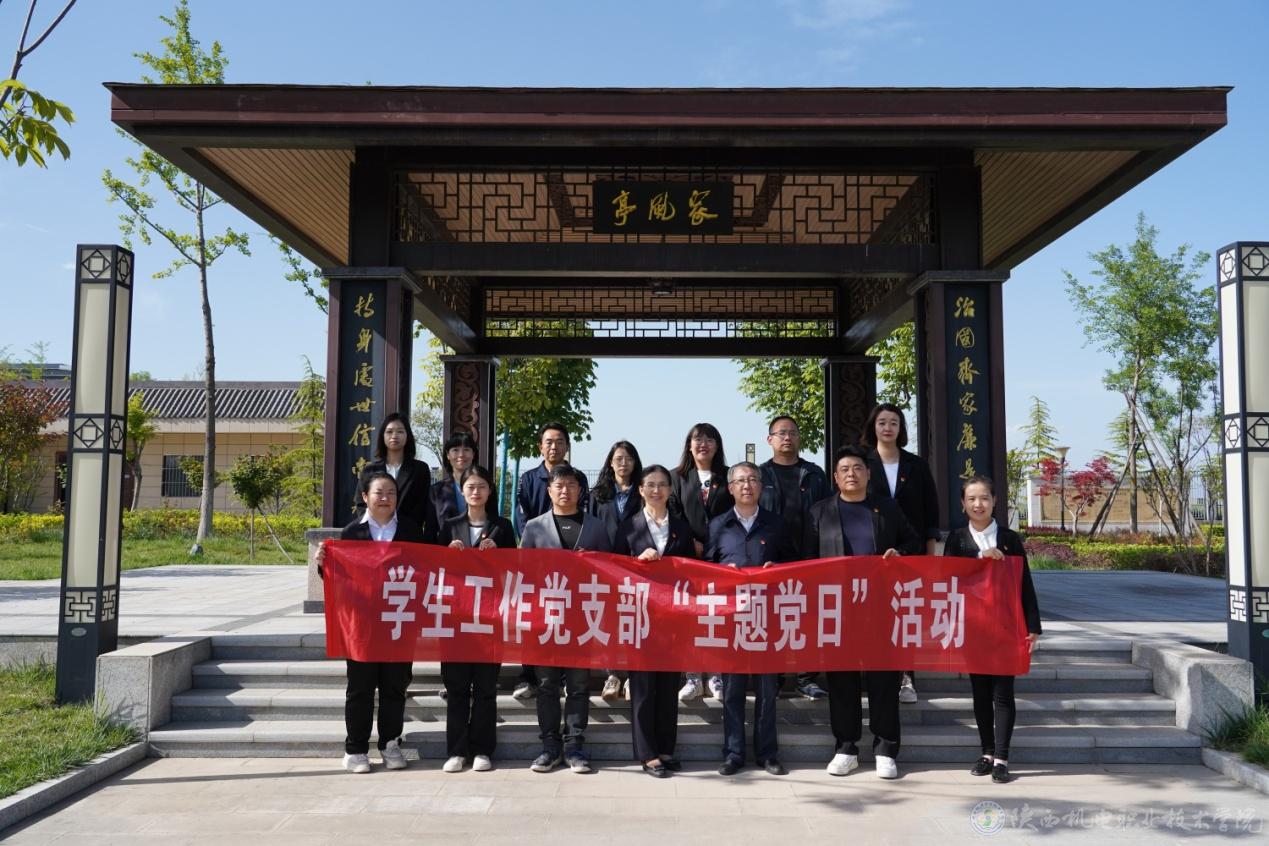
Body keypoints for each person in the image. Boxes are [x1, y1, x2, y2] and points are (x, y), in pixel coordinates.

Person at [803, 445, 923, 780]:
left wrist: (898, 553)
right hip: (837, 609)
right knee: (841, 681)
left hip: (880, 607)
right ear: (835, 477)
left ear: (868, 474)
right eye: (844, 469)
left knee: (884, 679)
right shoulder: (819, 512)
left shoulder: (887, 509)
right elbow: (807, 561)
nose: (851, 474)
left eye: (858, 468)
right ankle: (846, 748)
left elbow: (913, 543)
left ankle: (885, 749)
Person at [317, 472, 428, 774]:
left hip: (398, 621)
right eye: (379, 492)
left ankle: (390, 744)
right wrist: (324, 564)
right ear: (365, 497)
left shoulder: (410, 529)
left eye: (391, 492)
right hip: (362, 625)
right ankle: (355, 749)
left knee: (395, 686)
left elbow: (424, 569)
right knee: (360, 688)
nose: (385, 498)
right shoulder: (352, 532)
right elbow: (340, 578)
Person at [943, 475, 1041, 785]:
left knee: (1003, 693)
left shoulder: (1010, 539)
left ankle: (1001, 758)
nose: (978, 504)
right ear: (963, 504)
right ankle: (986, 753)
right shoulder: (957, 539)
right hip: (973, 627)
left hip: (1006, 627)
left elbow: (1025, 583)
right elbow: (948, 576)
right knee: (980, 693)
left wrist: (1033, 625)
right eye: (971, 499)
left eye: (984, 498)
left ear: (995, 501)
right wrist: (978, 558)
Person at [520, 464, 612, 774]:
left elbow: (610, 571)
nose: (565, 491)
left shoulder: (596, 527)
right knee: (547, 685)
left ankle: (574, 746)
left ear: (580, 490)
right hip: (546, 618)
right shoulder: (534, 527)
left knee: (578, 685)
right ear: (549, 491)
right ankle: (549, 746)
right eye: (559, 486)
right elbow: (524, 573)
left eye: (571, 485)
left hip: (583, 618)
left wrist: (592, 562)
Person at [707, 461, 789, 777]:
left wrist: (776, 570)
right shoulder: (718, 525)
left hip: (767, 617)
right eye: (740, 480)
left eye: (753, 479)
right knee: (732, 691)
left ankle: (768, 754)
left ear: (761, 486)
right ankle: (733, 753)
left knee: (768, 690)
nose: (747, 485)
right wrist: (720, 573)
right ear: (730, 488)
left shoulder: (776, 524)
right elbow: (705, 569)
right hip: (732, 619)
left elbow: (794, 565)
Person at [613, 464, 694, 778]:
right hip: (640, 616)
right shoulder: (629, 527)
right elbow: (615, 569)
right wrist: (638, 563)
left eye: (662, 485)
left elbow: (692, 570)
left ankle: (666, 748)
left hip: (673, 618)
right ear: (641, 490)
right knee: (644, 688)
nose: (656, 490)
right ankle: (647, 754)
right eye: (650, 485)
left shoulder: (682, 528)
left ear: (670, 490)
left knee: (668, 686)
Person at [436, 464, 516, 774]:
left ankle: (483, 749)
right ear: (462, 490)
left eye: (482, 486)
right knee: (456, 689)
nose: (476, 492)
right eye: (470, 486)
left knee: (485, 688)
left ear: (490, 491)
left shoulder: (502, 527)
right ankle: (456, 750)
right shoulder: (449, 526)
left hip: (488, 618)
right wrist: (447, 553)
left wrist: (500, 553)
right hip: (455, 618)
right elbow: (434, 569)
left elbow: (516, 570)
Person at [861, 403, 940, 705]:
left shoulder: (916, 465)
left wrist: (930, 553)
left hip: (911, 549)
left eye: (893, 422)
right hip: (875, 550)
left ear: (901, 428)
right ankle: (874, 674)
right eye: (882, 422)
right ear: (873, 427)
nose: (887, 428)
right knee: (874, 613)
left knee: (907, 613)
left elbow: (930, 509)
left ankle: (907, 677)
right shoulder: (863, 463)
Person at [512, 422, 588, 701]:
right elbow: (522, 515)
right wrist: (535, 547)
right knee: (536, 620)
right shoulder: (529, 478)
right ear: (540, 447)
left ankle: (566, 677)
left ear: (567, 446)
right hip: (539, 562)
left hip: (572, 564)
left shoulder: (578, 477)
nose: (554, 447)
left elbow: (584, 512)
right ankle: (529, 676)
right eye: (548, 442)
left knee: (570, 620)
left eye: (559, 442)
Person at [757, 414, 830, 700]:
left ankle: (806, 678)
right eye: (781, 433)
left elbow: (828, 513)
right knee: (772, 618)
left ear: (799, 438)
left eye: (792, 433)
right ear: (770, 439)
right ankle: (773, 678)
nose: (787, 437)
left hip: (808, 556)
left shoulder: (814, 474)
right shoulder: (760, 475)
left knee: (809, 619)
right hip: (771, 557)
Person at [669, 422, 733, 702]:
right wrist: (690, 541)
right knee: (690, 618)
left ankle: (716, 676)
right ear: (689, 445)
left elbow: (734, 513)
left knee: (717, 617)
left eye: (709, 439)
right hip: (687, 559)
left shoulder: (728, 477)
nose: (703, 444)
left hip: (721, 558)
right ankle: (693, 677)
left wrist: (716, 545)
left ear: (717, 445)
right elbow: (672, 514)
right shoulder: (676, 477)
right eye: (698, 439)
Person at [589, 440, 644, 702]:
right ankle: (611, 674)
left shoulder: (643, 492)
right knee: (607, 620)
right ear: (610, 462)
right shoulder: (598, 494)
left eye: (629, 458)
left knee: (634, 619)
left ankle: (632, 674)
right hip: (604, 565)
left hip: (636, 565)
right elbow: (589, 524)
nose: (624, 463)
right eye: (619, 458)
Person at [354, 412, 439, 543]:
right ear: (383, 436)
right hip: (375, 536)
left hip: (408, 536)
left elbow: (423, 505)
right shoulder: (369, 470)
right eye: (389, 432)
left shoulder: (420, 469)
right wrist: (374, 527)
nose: (394, 436)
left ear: (407, 435)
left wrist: (406, 527)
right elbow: (361, 503)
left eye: (400, 431)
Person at [431, 430, 478, 529]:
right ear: (448, 455)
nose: (461, 455)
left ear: (473, 454)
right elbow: (430, 529)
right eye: (455, 450)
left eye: (466, 449)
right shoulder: (436, 490)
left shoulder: (484, 487)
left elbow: (493, 524)